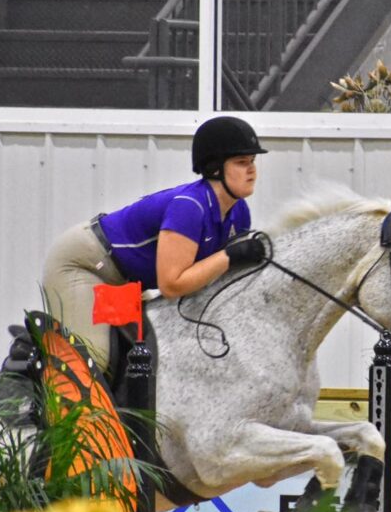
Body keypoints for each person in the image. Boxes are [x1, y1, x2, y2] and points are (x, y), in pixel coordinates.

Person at [41, 115, 269, 368]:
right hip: (83, 264)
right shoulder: (190, 207)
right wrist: (229, 256)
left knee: (143, 354)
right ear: (215, 167)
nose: (252, 170)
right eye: (241, 162)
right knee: (95, 359)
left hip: (126, 279)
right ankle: (33, 380)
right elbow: (171, 285)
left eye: (252, 161)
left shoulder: (239, 211)